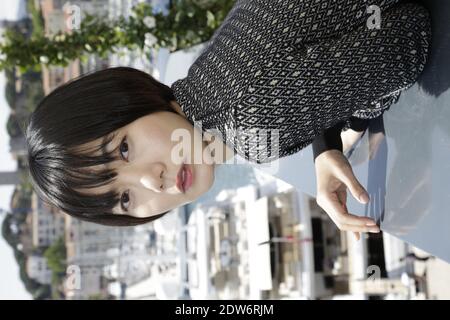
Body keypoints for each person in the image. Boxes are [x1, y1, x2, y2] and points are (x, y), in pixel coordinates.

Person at [25, 0, 432, 242]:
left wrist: (358, 122)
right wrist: (324, 144)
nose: (154, 181)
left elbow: (410, 41)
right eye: (124, 200)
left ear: (129, 99)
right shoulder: (211, 74)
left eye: (123, 149)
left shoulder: (247, 121)